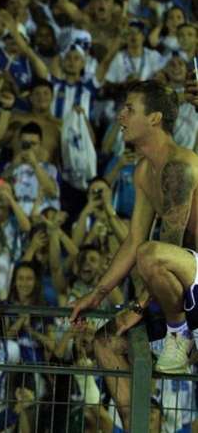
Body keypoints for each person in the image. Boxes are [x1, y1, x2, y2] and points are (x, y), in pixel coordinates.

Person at [70, 80, 198, 374]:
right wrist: (98, 292)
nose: (120, 117)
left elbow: (169, 247)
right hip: (182, 280)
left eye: (129, 109)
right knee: (104, 342)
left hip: (191, 274)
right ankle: (143, 420)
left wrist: (139, 306)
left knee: (151, 253)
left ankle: (179, 335)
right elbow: (133, 240)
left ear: (155, 118)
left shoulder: (179, 165)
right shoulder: (143, 170)